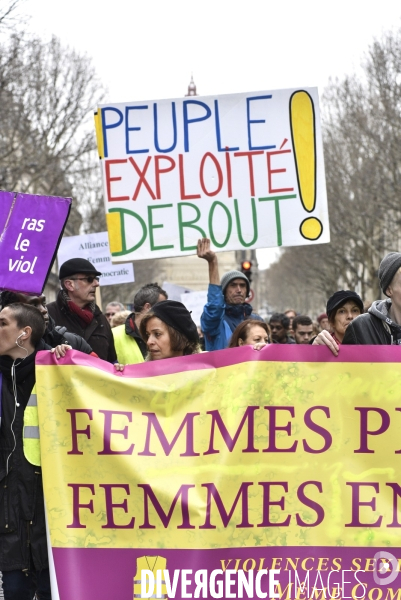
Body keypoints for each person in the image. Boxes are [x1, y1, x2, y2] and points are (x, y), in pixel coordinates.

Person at [0, 303, 69, 599]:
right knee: (14, 589)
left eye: (2, 323)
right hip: (8, 508)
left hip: (49, 509)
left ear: (24, 334)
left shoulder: (60, 369)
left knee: (48, 588)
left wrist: (111, 370)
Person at [47, 258, 117, 363]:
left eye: (96, 279)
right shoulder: (48, 316)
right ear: (69, 285)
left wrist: (117, 367)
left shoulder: (101, 319)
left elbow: (112, 360)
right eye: (89, 279)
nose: (96, 283)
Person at [197, 238, 262, 351]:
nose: (238, 290)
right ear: (224, 291)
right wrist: (213, 263)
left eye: (242, 286)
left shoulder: (256, 320)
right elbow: (215, 308)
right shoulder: (217, 322)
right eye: (233, 285)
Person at [0, 291, 94, 354]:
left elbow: (102, 377)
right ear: (9, 311)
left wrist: (70, 360)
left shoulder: (73, 343)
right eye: (34, 305)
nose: (44, 310)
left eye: (44, 303)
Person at [112, 283, 168, 364]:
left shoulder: (167, 335)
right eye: (162, 307)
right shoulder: (113, 335)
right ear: (148, 307)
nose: (165, 312)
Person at [312, 290, 364, 355]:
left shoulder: (373, 341)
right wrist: (313, 352)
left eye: (355, 310)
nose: (350, 316)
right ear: (331, 321)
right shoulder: (323, 347)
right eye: (342, 311)